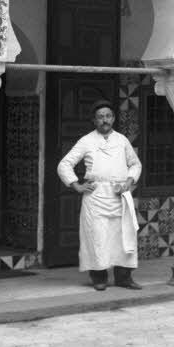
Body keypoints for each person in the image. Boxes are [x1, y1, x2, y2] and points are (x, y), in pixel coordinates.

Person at [57, 100, 144, 292]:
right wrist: (77, 185)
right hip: (96, 197)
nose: (104, 120)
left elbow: (135, 164)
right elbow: (64, 164)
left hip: (120, 196)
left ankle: (124, 278)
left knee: (124, 237)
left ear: (113, 118)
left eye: (108, 116)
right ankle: (99, 278)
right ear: (94, 120)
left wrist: (128, 182)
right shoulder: (86, 141)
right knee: (97, 237)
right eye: (100, 117)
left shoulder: (122, 140)